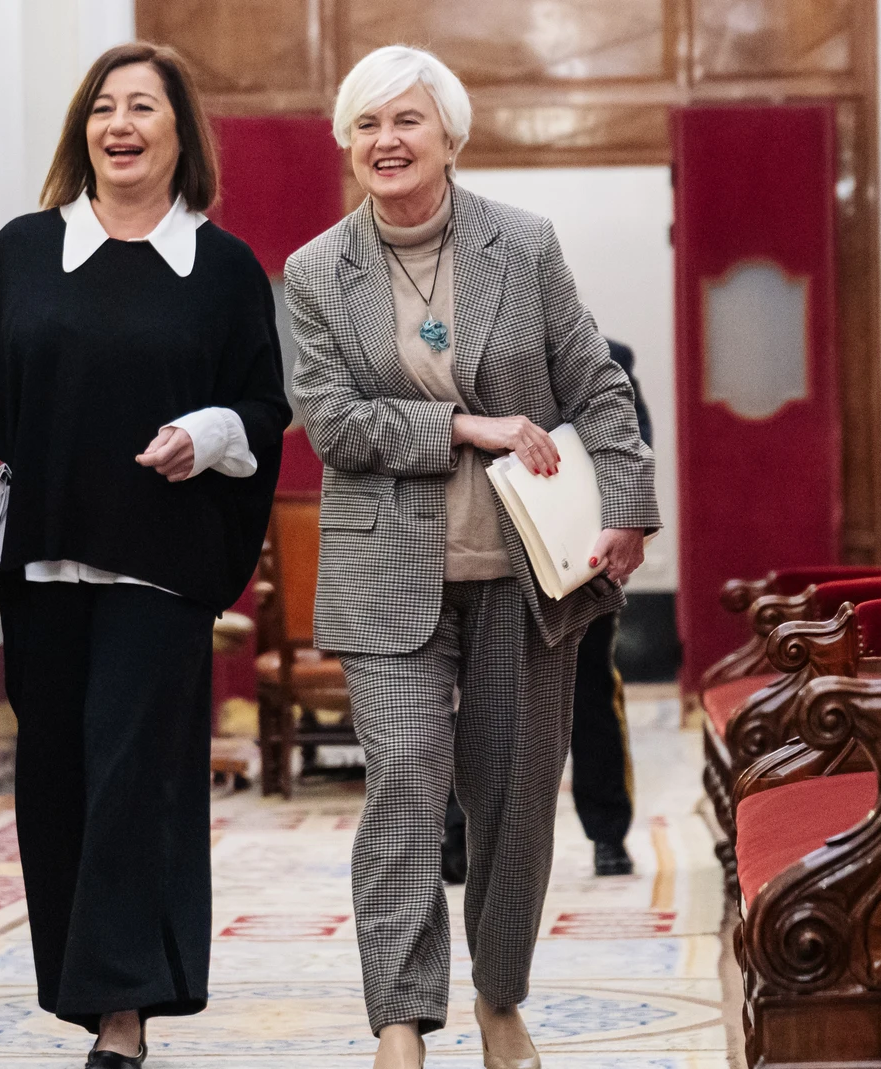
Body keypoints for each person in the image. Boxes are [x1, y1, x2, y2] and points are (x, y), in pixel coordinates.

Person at [0, 43, 288, 1069]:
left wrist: (209, 432)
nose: (119, 125)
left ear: (179, 135)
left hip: (158, 573)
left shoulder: (219, 269)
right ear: (83, 131)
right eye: (103, 109)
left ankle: (123, 1016)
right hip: (39, 570)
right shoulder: (26, 251)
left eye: (142, 108)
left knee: (132, 782)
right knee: (59, 782)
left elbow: (264, 406)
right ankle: (94, 984)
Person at [284, 45, 658, 1069]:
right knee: (404, 779)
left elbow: (594, 384)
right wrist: (468, 426)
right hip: (386, 572)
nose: (384, 141)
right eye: (364, 124)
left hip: (523, 571)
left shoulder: (522, 244)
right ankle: (399, 1021)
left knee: (513, 793)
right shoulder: (316, 271)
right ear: (345, 142)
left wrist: (627, 510)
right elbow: (334, 423)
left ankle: (499, 997)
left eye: (404, 121)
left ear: (450, 136)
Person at [443, 338, 654, 883]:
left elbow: (629, 456)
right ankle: (455, 837)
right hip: (487, 559)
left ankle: (608, 833)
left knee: (589, 694)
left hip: (576, 563)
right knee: (462, 700)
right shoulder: (461, 365)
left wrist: (623, 533)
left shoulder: (604, 363)